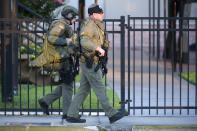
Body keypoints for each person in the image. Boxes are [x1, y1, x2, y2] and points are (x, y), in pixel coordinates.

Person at [66, 4, 125, 123]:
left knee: (83, 89)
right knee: (100, 87)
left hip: (92, 61)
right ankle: (111, 113)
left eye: (102, 13)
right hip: (89, 61)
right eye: (100, 13)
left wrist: (103, 48)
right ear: (93, 14)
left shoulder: (96, 25)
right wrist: (98, 48)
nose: (102, 15)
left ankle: (71, 114)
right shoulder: (89, 25)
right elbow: (84, 41)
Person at [38, 6, 79, 120]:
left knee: (66, 83)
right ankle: (68, 113)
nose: (75, 19)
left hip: (64, 57)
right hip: (61, 59)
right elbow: (51, 38)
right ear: (69, 15)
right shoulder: (60, 25)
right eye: (74, 17)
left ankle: (45, 101)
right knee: (68, 85)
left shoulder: (63, 24)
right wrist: (67, 41)